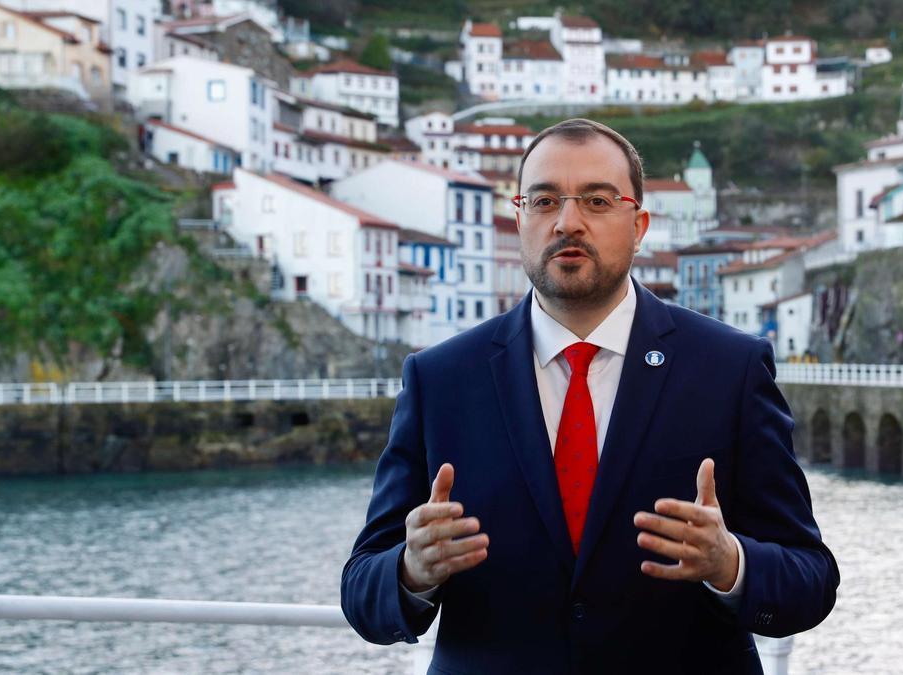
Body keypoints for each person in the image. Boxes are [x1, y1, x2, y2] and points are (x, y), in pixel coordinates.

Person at [341, 118, 838, 674]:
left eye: (597, 201)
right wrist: (411, 570)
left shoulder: (730, 369)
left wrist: (731, 564)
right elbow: (362, 590)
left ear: (639, 224)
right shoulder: (440, 379)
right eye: (544, 200)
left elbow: (810, 579)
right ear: (520, 216)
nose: (567, 222)